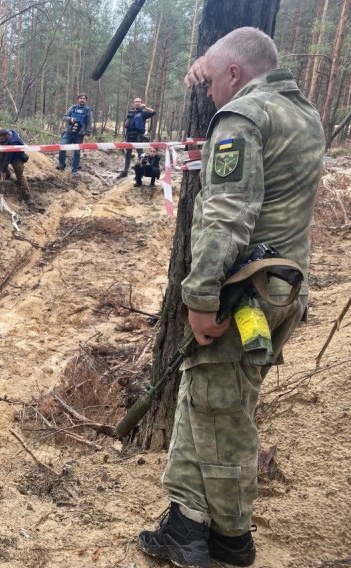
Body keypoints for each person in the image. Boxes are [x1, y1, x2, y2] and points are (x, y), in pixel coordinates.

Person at [136, 27, 324, 568]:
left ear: (236, 75)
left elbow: (226, 214)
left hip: (242, 292)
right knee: (206, 396)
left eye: (214, 80)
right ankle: (187, 525)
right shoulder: (301, 114)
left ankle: (231, 539)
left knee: (224, 410)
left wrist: (199, 295)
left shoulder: (244, 117)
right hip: (281, 288)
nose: (210, 94)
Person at [0, 128, 41, 211]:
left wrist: (3, 171)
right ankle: (8, 175)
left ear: (7, 136)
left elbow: (7, 159)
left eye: (1, 139)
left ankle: (27, 196)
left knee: (19, 173)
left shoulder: (13, 142)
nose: (0, 140)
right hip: (8, 152)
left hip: (17, 156)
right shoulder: (4, 132)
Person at [117, 97, 155, 179]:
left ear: (141, 103)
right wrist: (129, 118)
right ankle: (125, 171)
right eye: (136, 102)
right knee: (128, 154)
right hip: (129, 135)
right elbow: (126, 125)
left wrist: (145, 107)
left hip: (139, 135)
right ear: (133, 103)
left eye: (139, 102)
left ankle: (140, 173)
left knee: (140, 154)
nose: (137, 103)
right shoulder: (130, 112)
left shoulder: (143, 113)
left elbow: (153, 112)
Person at [56, 93, 92, 175]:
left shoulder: (87, 110)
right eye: (80, 98)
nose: (82, 100)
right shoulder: (72, 108)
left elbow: (89, 123)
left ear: (86, 100)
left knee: (76, 152)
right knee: (62, 146)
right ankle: (62, 164)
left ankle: (74, 170)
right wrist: (70, 119)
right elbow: (64, 117)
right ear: (77, 99)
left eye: (84, 98)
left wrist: (87, 134)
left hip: (79, 135)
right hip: (68, 133)